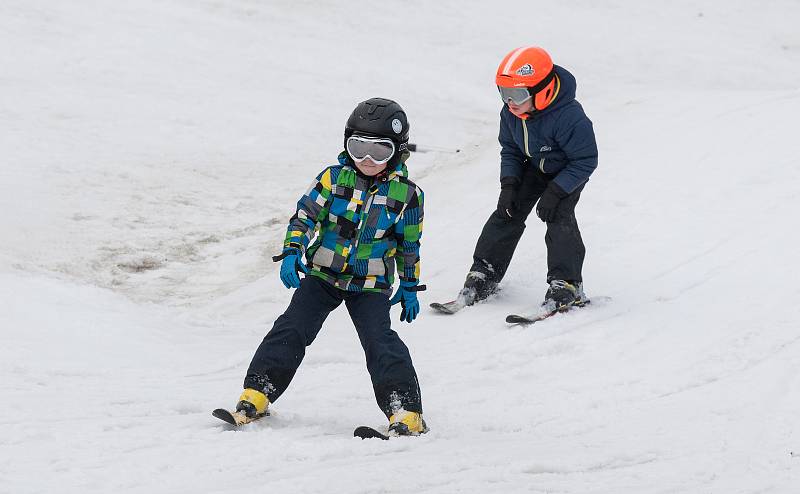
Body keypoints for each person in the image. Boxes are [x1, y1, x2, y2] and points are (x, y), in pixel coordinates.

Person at [229, 97, 428, 436]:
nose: (366, 159)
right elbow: (305, 216)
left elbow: (409, 246)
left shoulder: (408, 195)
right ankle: (257, 393)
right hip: (324, 274)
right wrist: (293, 250)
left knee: (381, 343)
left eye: (378, 151)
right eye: (358, 147)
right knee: (291, 327)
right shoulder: (332, 179)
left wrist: (409, 286)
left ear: (397, 150)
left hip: (370, 283)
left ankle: (406, 411)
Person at [458, 46, 598, 309]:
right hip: (533, 166)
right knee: (506, 213)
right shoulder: (510, 112)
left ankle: (567, 284)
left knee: (559, 216)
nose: (509, 101)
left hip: (567, 171)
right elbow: (510, 149)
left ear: (542, 91)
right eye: (503, 93)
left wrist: (556, 191)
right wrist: (509, 184)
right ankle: (484, 272)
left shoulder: (570, 118)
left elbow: (586, 160)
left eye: (517, 94)